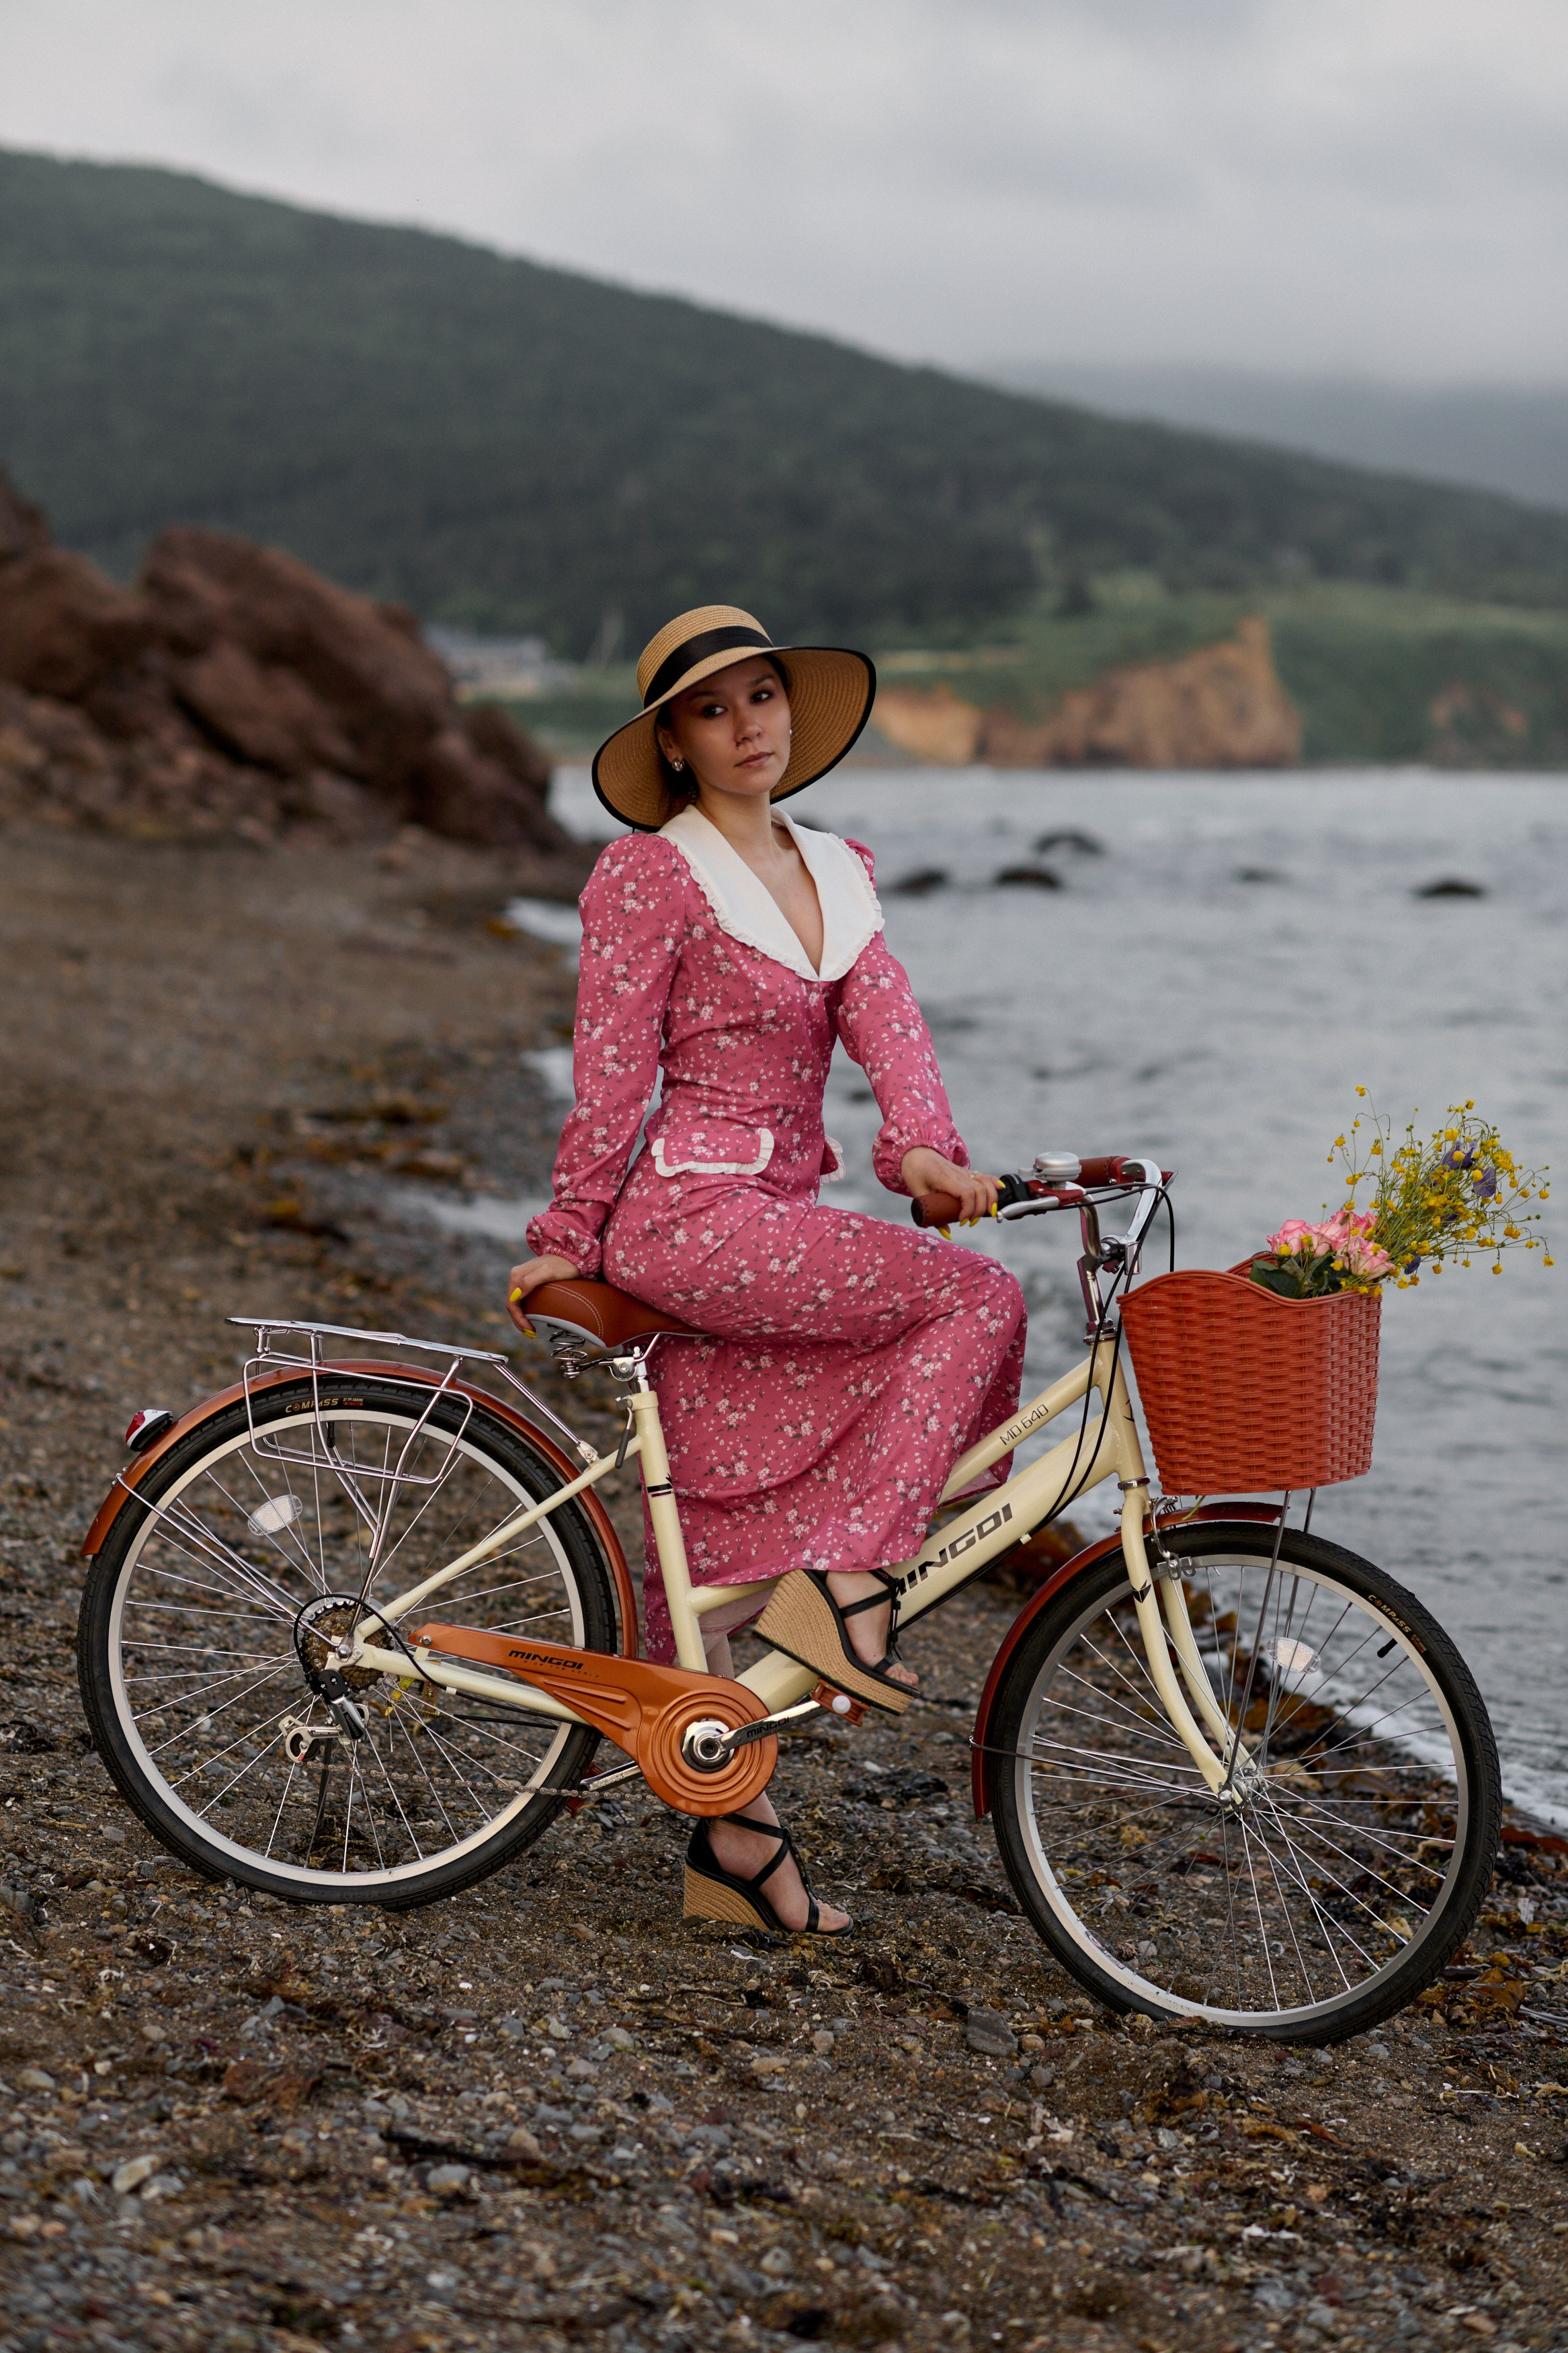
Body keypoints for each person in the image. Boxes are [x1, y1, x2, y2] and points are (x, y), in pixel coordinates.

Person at [508, 604, 1026, 1936]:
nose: (749, 726)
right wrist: (568, 1229)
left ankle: (731, 1849)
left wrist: (924, 1154)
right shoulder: (649, 877)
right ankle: (848, 1577)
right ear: (674, 743)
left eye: (762, 697)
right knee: (978, 1299)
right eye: (713, 709)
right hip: (692, 1221)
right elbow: (612, 1069)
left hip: (775, 1224)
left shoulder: (838, 868)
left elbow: (892, 1031)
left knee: (703, 1536)